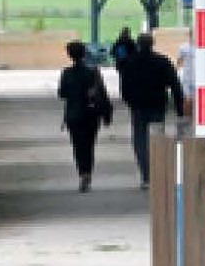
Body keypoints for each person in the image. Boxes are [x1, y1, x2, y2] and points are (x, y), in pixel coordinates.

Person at [118, 31, 185, 188]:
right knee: (157, 137)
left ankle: (146, 175)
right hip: (157, 104)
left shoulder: (129, 62)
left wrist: (129, 101)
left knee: (140, 139)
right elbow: (175, 84)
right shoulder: (162, 61)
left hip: (138, 106)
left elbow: (124, 86)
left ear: (138, 44)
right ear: (152, 44)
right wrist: (179, 107)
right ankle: (157, 171)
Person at [58, 39, 112, 192]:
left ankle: (83, 173)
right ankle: (87, 172)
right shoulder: (93, 72)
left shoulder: (67, 73)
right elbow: (102, 94)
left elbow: (62, 93)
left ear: (70, 55)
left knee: (78, 145)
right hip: (91, 114)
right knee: (89, 145)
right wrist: (107, 114)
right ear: (84, 53)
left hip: (73, 114)